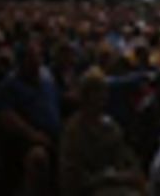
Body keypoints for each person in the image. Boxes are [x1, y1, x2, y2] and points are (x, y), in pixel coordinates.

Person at [58, 67, 146, 196]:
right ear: (86, 95)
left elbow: (124, 155)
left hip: (115, 182)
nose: (104, 96)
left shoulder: (109, 125)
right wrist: (106, 178)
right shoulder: (74, 130)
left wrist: (129, 173)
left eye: (104, 91)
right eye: (98, 91)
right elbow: (72, 176)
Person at [0, 43, 61, 195]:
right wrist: (32, 134)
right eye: (32, 59)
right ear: (21, 62)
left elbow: (57, 100)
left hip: (55, 133)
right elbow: (6, 116)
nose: (37, 62)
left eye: (39, 57)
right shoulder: (10, 84)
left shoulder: (46, 75)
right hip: (27, 139)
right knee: (38, 158)